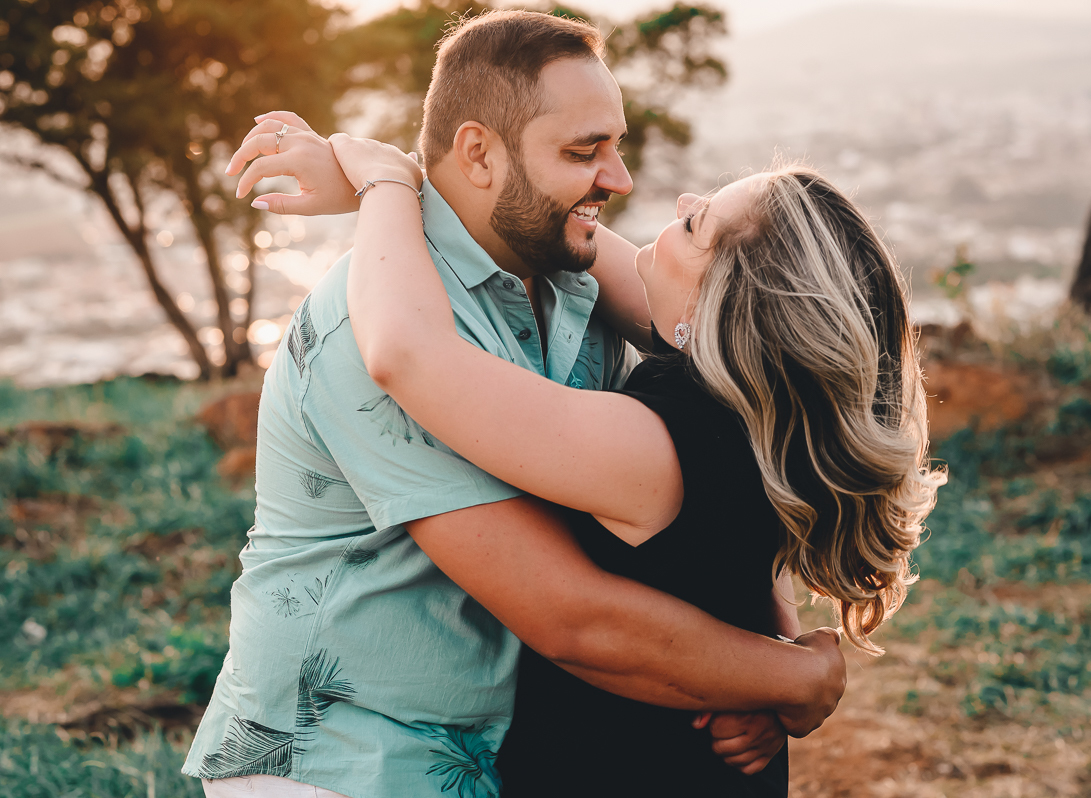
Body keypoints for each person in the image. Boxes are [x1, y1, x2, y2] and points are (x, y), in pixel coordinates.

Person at [194, 11, 847, 798]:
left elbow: (738, 431)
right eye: (583, 151)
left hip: (508, 752)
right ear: (479, 153)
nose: (620, 179)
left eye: (615, 145)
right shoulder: (373, 322)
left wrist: (764, 662)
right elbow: (572, 617)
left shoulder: (577, 281)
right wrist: (787, 676)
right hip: (350, 756)